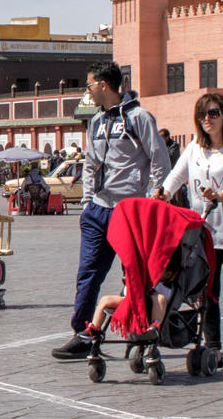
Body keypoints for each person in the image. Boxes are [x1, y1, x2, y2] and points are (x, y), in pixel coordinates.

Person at [52, 63, 169, 361]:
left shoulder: (139, 118)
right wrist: (87, 203)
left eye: (89, 85)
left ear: (104, 85)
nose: (87, 91)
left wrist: (157, 194)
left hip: (129, 211)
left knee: (134, 275)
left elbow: (159, 158)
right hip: (98, 211)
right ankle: (82, 333)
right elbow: (90, 164)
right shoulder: (96, 123)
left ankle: (141, 327)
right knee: (88, 273)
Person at [160, 92, 223, 364]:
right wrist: (163, 193)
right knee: (207, 292)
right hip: (204, 233)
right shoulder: (195, 146)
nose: (207, 119)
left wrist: (221, 195)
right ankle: (212, 347)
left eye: (213, 113)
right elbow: (177, 175)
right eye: (202, 115)